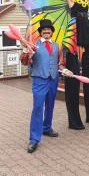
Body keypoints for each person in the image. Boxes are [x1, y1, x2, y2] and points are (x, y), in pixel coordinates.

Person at [40, 0, 89, 130]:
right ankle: (74, 121)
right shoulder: (70, 0)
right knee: (73, 71)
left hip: (86, 31)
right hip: (74, 32)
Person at [20, 19, 73, 153]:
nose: (46, 31)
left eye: (49, 29)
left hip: (53, 79)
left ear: (51, 31)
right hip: (39, 80)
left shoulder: (57, 46)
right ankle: (34, 139)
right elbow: (25, 62)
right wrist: (26, 49)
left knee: (50, 105)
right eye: (44, 29)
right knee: (37, 108)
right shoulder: (34, 45)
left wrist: (65, 70)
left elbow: (59, 64)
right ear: (40, 32)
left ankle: (47, 128)